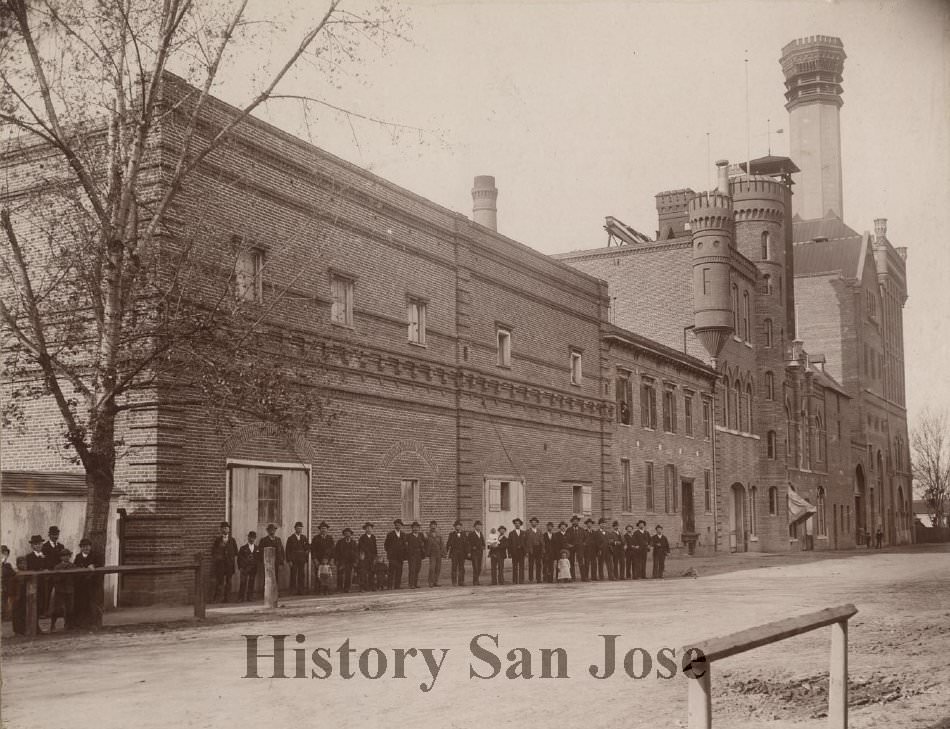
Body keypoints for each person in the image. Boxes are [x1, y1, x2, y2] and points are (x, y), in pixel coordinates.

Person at [73, 538, 101, 627]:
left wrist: (94, 565)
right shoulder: (78, 557)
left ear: (90, 547)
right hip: (81, 584)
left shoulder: (96, 555)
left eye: (88, 546)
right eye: (84, 547)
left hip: (93, 583)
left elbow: (100, 564)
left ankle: (95, 623)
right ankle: (83, 623)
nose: (86, 548)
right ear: (81, 548)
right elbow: (75, 566)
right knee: (82, 603)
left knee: (93, 603)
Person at [49, 549, 78, 632]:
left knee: (70, 608)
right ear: (61, 557)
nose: (66, 557)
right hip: (60, 590)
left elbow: (76, 576)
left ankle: (68, 625)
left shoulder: (73, 566)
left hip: (70, 590)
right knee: (57, 609)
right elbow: (54, 578)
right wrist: (61, 577)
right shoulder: (57, 567)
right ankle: (52, 625)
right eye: (64, 556)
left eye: (68, 555)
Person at [210, 521, 238, 603]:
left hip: (229, 564)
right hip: (220, 565)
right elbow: (213, 552)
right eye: (223, 528)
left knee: (229, 581)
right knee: (220, 581)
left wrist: (231, 558)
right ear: (221, 530)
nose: (225, 530)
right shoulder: (218, 540)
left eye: (226, 528)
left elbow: (236, 552)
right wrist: (219, 557)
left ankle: (227, 598)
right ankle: (217, 598)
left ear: (229, 530)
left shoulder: (232, 540)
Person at [258, 523, 285, 596]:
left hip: (276, 562)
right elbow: (260, 552)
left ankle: (275, 592)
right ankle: (266, 593)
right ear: (267, 531)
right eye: (270, 530)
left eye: (273, 529)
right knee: (267, 578)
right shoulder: (264, 540)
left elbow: (281, 551)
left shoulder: (278, 540)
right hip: (268, 563)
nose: (272, 531)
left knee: (276, 577)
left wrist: (281, 563)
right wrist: (263, 562)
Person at [285, 521, 310, 595]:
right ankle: (293, 590)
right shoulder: (291, 538)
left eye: (300, 528)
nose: (299, 530)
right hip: (294, 559)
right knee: (293, 574)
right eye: (298, 528)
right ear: (295, 529)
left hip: (301, 559)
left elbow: (307, 547)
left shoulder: (304, 538)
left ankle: (301, 590)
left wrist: (307, 552)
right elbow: (287, 550)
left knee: (301, 575)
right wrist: (289, 560)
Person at [310, 521, 334, 593]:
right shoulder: (316, 538)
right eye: (322, 528)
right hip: (319, 559)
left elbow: (333, 550)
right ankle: (318, 590)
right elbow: (313, 550)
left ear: (327, 530)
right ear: (320, 530)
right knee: (318, 574)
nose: (323, 530)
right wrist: (315, 559)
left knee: (327, 575)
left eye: (325, 528)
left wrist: (332, 559)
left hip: (327, 560)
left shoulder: (330, 538)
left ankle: (327, 590)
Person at [384, 519, 408, 589]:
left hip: (400, 557)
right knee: (391, 571)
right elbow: (386, 545)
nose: (398, 526)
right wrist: (390, 553)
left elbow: (405, 545)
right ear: (395, 525)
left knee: (399, 571)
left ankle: (397, 586)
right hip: (392, 557)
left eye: (399, 524)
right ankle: (389, 586)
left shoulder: (403, 534)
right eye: (396, 524)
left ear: (401, 526)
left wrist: (404, 554)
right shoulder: (390, 534)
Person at [334, 528, 359, 593]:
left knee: (348, 575)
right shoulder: (340, 542)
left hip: (349, 561)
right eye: (346, 533)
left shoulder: (353, 542)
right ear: (344, 534)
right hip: (341, 561)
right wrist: (336, 560)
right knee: (340, 575)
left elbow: (356, 552)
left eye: (348, 533)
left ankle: (347, 588)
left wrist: (355, 561)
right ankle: (339, 588)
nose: (347, 534)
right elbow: (336, 552)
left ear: (351, 534)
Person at [237, 531, 259, 602]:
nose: (251, 539)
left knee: (251, 582)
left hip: (253, 568)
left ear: (255, 538)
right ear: (248, 538)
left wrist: (256, 566)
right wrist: (240, 567)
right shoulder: (243, 548)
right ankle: (241, 598)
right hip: (245, 568)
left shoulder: (257, 548)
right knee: (243, 583)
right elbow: (239, 559)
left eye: (253, 538)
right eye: (250, 537)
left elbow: (258, 558)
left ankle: (250, 597)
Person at [445, 520, 468, 587]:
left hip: (462, 553)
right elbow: (448, 544)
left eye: (459, 526)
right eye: (456, 526)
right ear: (454, 527)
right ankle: (454, 582)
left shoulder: (464, 534)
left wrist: (467, 552)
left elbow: (466, 544)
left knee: (462, 568)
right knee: (454, 567)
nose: (458, 527)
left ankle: (461, 581)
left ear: (461, 527)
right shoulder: (451, 534)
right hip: (454, 553)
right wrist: (449, 552)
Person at [406, 522, 427, 589]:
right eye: (414, 527)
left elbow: (426, 541)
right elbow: (406, 545)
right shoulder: (408, 536)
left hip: (419, 555)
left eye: (417, 527)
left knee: (417, 569)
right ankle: (411, 584)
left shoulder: (421, 535)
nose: (415, 529)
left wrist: (425, 534)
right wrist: (409, 553)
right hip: (411, 555)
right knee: (412, 569)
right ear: (412, 528)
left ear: (419, 528)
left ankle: (415, 584)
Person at [358, 523, 378, 591]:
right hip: (365, 557)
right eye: (367, 528)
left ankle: (371, 586)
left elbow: (375, 548)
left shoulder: (373, 537)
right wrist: (362, 555)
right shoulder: (362, 538)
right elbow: (360, 547)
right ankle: (363, 587)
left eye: (370, 528)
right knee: (363, 572)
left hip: (372, 557)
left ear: (372, 529)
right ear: (365, 529)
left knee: (371, 572)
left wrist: (375, 557)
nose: (369, 529)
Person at [565, 514, 585, 582]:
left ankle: (583, 577)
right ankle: (572, 577)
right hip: (572, 548)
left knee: (581, 562)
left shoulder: (582, 530)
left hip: (580, 548)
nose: (575, 522)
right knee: (571, 562)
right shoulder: (569, 530)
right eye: (574, 521)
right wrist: (569, 545)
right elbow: (566, 539)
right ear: (572, 522)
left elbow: (585, 539)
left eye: (576, 521)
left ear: (578, 522)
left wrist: (583, 544)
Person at [508, 518, 526, 584]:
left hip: (521, 552)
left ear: (520, 524)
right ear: (514, 524)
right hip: (514, 552)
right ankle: (515, 580)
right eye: (516, 523)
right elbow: (509, 544)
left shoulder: (524, 533)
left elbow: (526, 543)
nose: (517, 524)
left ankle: (521, 580)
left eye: (518, 523)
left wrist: (525, 552)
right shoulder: (511, 533)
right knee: (514, 566)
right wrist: (509, 553)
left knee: (521, 566)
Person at [526, 517, 544, 584]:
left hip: (538, 548)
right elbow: (526, 542)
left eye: (535, 522)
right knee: (531, 564)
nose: (534, 523)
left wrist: (542, 549)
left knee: (539, 564)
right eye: (532, 522)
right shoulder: (528, 531)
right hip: (531, 549)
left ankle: (538, 578)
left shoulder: (539, 531)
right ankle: (531, 578)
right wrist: (527, 551)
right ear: (531, 523)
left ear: (537, 523)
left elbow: (542, 541)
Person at [425, 521, 444, 588]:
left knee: (438, 568)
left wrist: (443, 552)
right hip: (432, 554)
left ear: (436, 526)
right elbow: (425, 543)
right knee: (432, 568)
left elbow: (442, 544)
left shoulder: (439, 534)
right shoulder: (427, 534)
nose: (433, 526)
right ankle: (430, 582)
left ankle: (436, 582)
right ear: (430, 526)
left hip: (438, 553)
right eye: (432, 525)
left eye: (434, 525)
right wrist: (427, 553)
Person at [468, 521, 486, 586]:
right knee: (475, 567)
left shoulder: (481, 534)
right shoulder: (471, 534)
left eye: (480, 525)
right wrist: (469, 552)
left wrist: (483, 546)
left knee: (479, 567)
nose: (479, 527)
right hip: (474, 553)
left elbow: (483, 543)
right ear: (475, 526)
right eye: (477, 525)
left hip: (480, 553)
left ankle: (477, 580)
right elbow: (469, 544)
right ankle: (475, 581)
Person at [1, 545, 16, 622]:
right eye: (3, 553)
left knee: (6, 601)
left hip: (7, 586)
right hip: (2, 586)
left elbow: (13, 573)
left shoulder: (8, 565)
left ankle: (6, 615)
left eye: (6, 554)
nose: (5, 555)